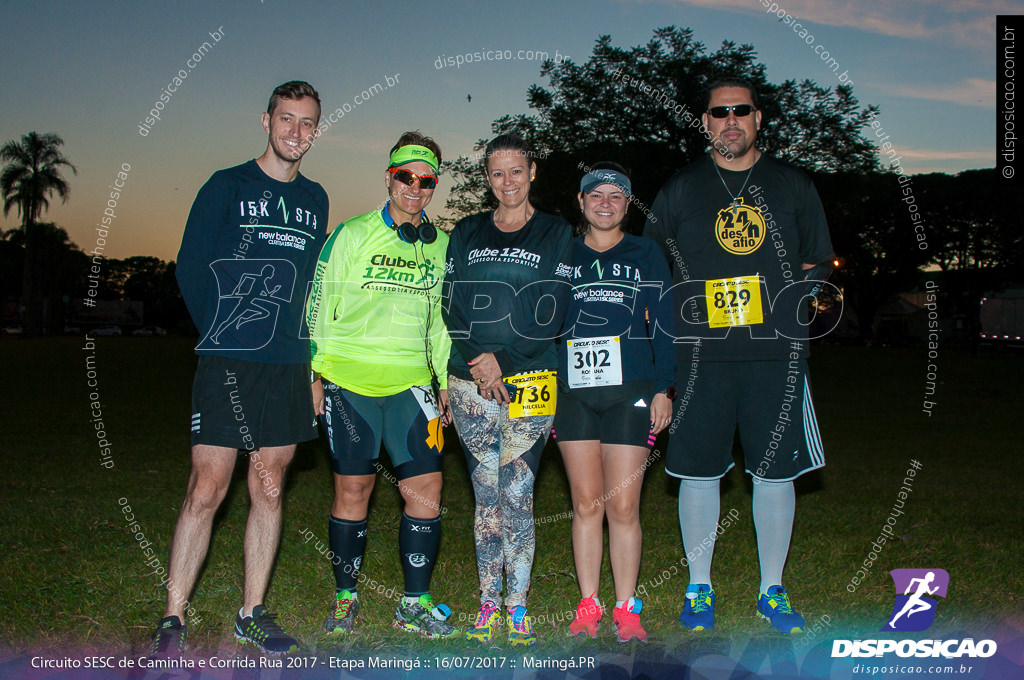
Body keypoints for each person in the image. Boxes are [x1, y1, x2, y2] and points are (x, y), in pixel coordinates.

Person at [644, 78, 835, 635]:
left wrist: (786, 313)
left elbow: (815, 264)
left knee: (775, 474)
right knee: (698, 471)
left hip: (775, 359)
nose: (730, 120)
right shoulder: (681, 188)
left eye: (741, 111)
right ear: (705, 122)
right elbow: (653, 270)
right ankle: (698, 587)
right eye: (719, 112)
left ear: (758, 119)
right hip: (700, 359)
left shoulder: (793, 185)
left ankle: (771, 589)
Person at [152, 80, 328, 656]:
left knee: (270, 487)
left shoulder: (315, 199)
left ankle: (252, 612)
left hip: (287, 365)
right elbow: (190, 267)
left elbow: (311, 288)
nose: (295, 132)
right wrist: (223, 331)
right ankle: (173, 617)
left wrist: (312, 370)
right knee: (207, 486)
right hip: (228, 361)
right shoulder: (225, 185)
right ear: (266, 120)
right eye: (287, 119)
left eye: (306, 123)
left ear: (317, 131)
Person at [305, 131, 458, 639]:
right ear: (389, 177)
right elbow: (318, 304)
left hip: (412, 386)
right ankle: (345, 598)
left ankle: (413, 603)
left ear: (435, 184)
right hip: (349, 384)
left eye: (426, 180)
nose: (415, 187)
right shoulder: (351, 234)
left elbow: (441, 321)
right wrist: (316, 373)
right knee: (353, 490)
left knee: (427, 492)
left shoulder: (441, 247)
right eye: (405, 177)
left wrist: (443, 380)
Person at [442, 133, 573, 647]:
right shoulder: (468, 231)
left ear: (532, 171)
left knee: (518, 493)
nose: (507, 182)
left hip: (532, 378)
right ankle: (487, 604)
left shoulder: (556, 231)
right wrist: (479, 361)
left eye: (516, 171)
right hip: (469, 378)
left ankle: (517, 607)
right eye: (497, 173)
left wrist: (506, 361)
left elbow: (556, 307)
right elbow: (450, 304)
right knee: (485, 497)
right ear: (487, 178)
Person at [554, 163, 676, 643]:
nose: (605, 203)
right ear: (581, 203)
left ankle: (627, 605)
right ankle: (589, 603)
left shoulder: (645, 252)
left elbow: (665, 322)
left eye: (616, 196)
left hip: (632, 391)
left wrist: (665, 389)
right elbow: (544, 322)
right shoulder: (563, 254)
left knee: (623, 506)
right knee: (586, 504)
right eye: (596, 195)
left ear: (628, 204)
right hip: (573, 395)